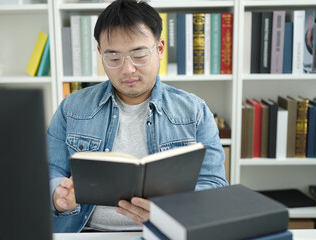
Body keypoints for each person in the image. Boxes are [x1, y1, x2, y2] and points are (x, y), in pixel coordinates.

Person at [47, 0, 228, 233]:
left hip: (166, 231)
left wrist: (170, 210)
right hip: (86, 233)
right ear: (100, 53)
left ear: (160, 48)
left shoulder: (194, 111)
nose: (128, 69)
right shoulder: (72, 107)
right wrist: (57, 195)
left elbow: (214, 185)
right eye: (114, 58)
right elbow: (50, 169)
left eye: (139, 55)